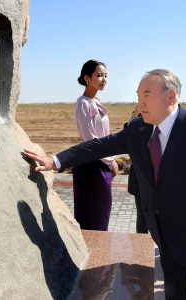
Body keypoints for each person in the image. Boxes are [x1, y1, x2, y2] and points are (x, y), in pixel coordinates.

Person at [25, 69, 186, 300]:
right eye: (138, 95)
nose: (139, 102)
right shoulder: (138, 129)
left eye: (147, 95)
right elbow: (98, 146)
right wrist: (55, 160)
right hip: (167, 240)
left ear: (170, 97)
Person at [72, 59, 118, 231]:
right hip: (90, 166)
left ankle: (99, 254)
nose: (104, 79)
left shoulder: (96, 102)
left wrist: (110, 160)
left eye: (105, 76)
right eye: (99, 75)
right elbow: (91, 139)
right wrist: (112, 162)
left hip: (102, 164)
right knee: (92, 218)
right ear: (87, 78)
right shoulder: (82, 103)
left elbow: (104, 137)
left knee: (102, 215)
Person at [126, 105, 148, 234]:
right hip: (139, 176)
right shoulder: (134, 121)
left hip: (159, 178)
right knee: (142, 215)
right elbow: (128, 137)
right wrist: (135, 116)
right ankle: (141, 247)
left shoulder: (159, 120)